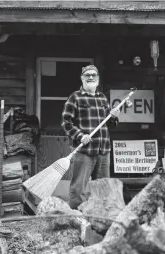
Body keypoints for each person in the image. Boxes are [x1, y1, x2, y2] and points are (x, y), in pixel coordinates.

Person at [61, 64, 131, 209]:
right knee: (78, 189)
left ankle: (101, 218)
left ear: (98, 78)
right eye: (87, 75)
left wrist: (114, 117)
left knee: (103, 188)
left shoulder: (102, 98)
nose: (91, 77)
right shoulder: (75, 97)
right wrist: (80, 136)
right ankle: (77, 218)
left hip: (103, 150)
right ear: (82, 78)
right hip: (84, 151)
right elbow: (65, 122)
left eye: (94, 75)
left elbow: (109, 124)